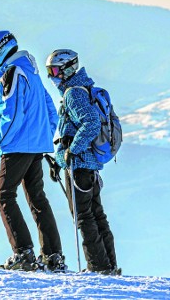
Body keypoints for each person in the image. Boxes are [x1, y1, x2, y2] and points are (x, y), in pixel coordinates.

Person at [0, 30, 66, 272]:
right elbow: (51, 110)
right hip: (35, 145)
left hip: (17, 146)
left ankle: (24, 254)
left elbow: (12, 113)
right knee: (37, 198)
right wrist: (43, 137)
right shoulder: (31, 71)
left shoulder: (13, 73)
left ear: (0, 51)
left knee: (4, 196)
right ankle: (53, 256)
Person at [45, 49, 120, 275]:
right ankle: (109, 265)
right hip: (90, 167)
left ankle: (98, 267)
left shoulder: (73, 94)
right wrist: (59, 161)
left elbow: (90, 125)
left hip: (79, 166)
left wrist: (70, 153)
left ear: (67, 69)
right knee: (97, 214)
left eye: (55, 70)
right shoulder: (83, 88)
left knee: (84, 217)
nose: (52, 76)